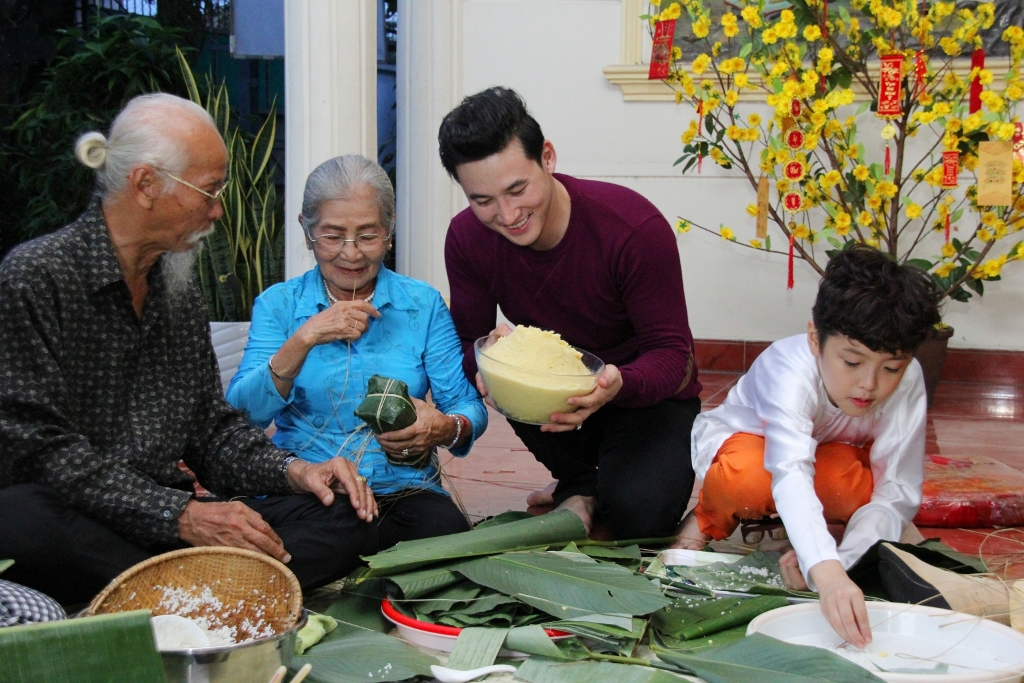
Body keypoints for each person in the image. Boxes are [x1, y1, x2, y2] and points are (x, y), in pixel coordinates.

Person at [0, 94, 379, 606]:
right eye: (208, 191)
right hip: (88, 522)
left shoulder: (176, 289)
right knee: (20, 515)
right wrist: (179, 516)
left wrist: (295, 471)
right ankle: (209, 591)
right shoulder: (34, 277)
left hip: (167, 531)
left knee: (341, 512)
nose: (218, 210)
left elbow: (210, 428)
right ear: (146, 185)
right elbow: (40, 454)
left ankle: (176, 594)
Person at [439, 87, 701, 539]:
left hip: (646, 396)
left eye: (518, 189)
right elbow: (467, 342)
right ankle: (580, 484)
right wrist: (485, 362)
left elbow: (672, 354)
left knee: (637, 518)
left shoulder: (631, 228)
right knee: (505, 373)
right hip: (555, 405)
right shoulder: (466, 239)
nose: (507, 214)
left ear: (548, 157)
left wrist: (617, 383)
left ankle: (607, 485)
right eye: (482, 200)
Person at [673, 245, 943, 648]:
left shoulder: (909, 380)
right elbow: (791, 469)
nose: (869, 384)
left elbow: (898, 491)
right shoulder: (788, 368)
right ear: (816, 338)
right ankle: (704, 520)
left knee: (854, 487)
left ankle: (807, 531)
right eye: (852, 362)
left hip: (832, 456)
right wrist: (824, 568)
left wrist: (841, 562)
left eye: (890, 368)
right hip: (759, 448)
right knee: (750, 478)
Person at [226, 155, 487, 545]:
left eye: (368, 235)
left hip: (404, 489)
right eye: (332, 236)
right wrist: (303, 340)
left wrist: (446, 427)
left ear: (390, 228)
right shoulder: (279, 306)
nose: (351, 253)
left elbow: (467, 406)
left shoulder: (422, 304)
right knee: (312, 536)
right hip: (311, 487)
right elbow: (242, 416)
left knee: (446, 536)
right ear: (306, 230)